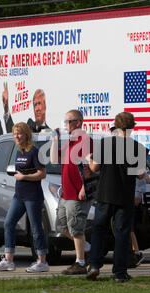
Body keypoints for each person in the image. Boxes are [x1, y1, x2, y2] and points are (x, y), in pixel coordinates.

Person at [86, 112, 146, 283]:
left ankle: (94, 265)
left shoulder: (105, 143)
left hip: (105, 193)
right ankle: (119, 272)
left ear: (116, 125)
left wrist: (89, 159)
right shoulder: (137, 147)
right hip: (125, 196)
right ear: (133, 127)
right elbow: (141, 174)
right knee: (122, 234)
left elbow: (95, 168)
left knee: (99, 230)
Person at [0, 122, 49, 273]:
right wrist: (20, 177)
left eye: (19, 133)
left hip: (33, 196)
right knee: (9, 223)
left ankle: (42, 261)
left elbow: (42, 173)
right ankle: (9, 260)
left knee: (36, 228)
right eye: (15, 133)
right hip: (19, 195)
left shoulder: (34, 152)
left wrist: (25, 177)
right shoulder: (19, 152)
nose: (16, 136)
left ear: (26, 135)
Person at [50, 110, 93, 275]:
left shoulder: (85, 140)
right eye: (65, 121)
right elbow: (55, 159)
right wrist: (55, 140)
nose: (65, 125)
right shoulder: (71, 141)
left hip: (77, 193)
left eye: (68, 122)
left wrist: (84, 187)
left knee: (76, 228)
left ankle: (80, 262)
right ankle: (88, 249)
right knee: (61, 226)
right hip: (66, 193)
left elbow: (90, 166)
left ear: (77, 123)